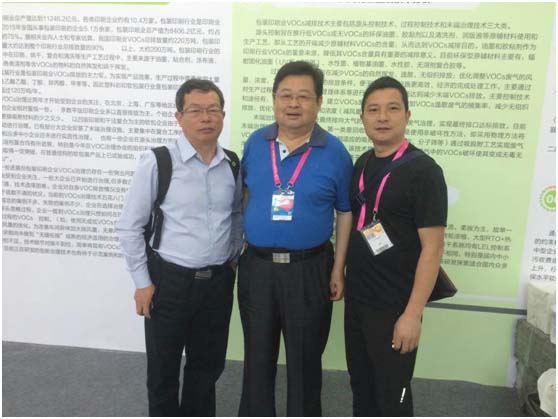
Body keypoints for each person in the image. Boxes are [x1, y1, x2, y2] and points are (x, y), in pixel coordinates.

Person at [116, 79, 242, 416]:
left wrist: (232, 257)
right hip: (169, 283)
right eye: (195, 110)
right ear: (179, 117)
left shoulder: (231, 163)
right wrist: (142, 283)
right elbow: (129, 226)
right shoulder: (158, 161)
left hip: (217, 283)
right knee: (163, 370)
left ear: (223, 115)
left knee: (207, 368)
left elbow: (235, 214)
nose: (206, 118)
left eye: (213, 110)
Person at [238, 60, 354, 416]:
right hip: (257, 268)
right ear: (274, 99)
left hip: (309, 270)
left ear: (319, 102)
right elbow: (246, 195)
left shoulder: (335, 152)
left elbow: (345, 212)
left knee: (305, 363)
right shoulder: (256, 142)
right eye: (285, 95)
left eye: (303, 96)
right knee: (256, 359)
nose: (293, 104)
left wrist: (338, 268)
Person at [344, 76, 448, 416]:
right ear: (362, 117)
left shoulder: (424, 171)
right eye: (373, 110)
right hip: (359, 300)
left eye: (392, 108)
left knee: (393, 394)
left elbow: (432, 249)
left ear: (407, 115)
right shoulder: (363, 163)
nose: (382, 117)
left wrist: (412, 315)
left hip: (395, 305)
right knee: (361, 386)